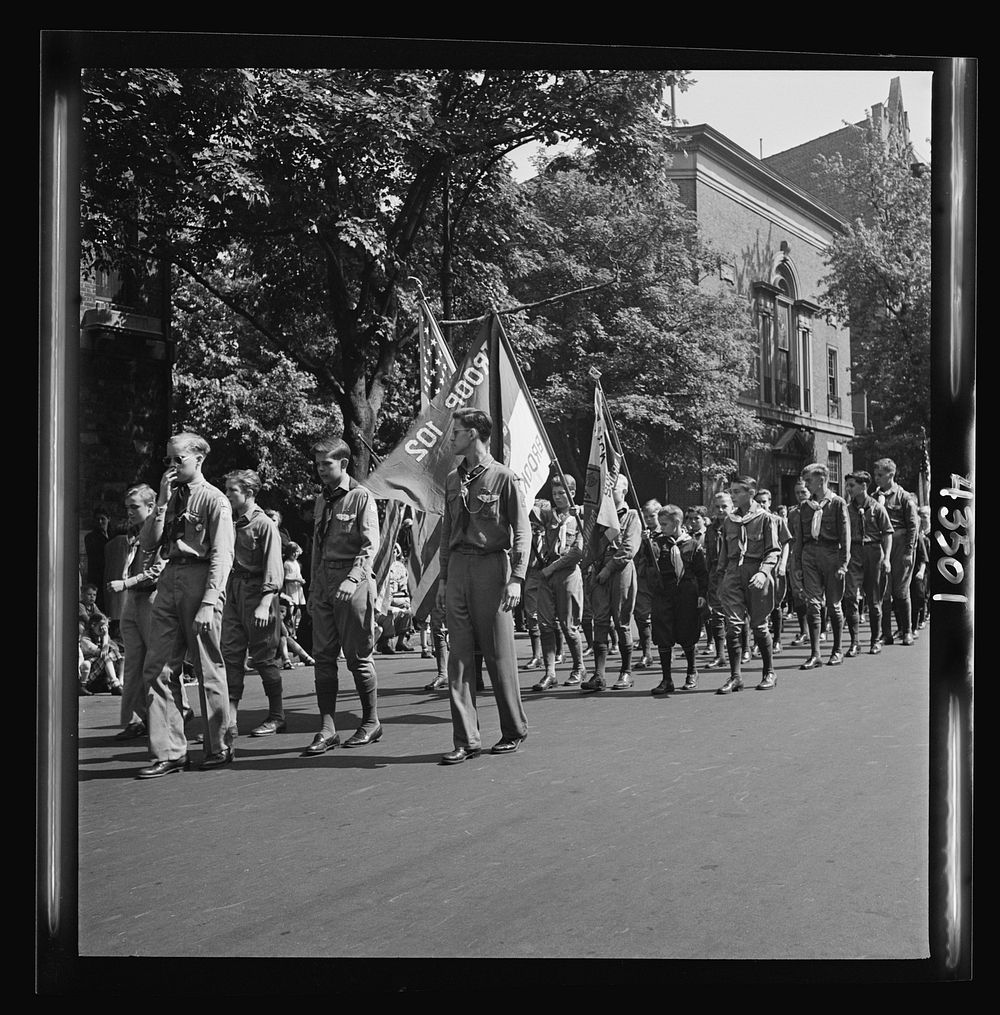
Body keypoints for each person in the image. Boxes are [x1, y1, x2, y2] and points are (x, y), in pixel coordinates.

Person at [135, 433, 235, 778]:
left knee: (207, 667)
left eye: (179, 460)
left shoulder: (213, 500)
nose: (173, 467)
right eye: (168, 461)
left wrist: (210, 602)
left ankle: (218, 745)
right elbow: (148, 544)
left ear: (199, 460)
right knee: (158, 667)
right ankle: (170, 751)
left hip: (200, 579)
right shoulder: (171, 498)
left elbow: (223, 555)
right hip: (169, 579)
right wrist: (161, 502)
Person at [436, 409, 530, 764]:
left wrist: (517, 577)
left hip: (492, 566)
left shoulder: (503, 478)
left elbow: (522, 530)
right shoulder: (451, 479)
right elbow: (447, 532)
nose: (452, 437)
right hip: (459, 567)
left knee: (498, 654)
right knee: (458, 657)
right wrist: (444, 579)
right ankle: (466, 738)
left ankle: (513, 729)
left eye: (457, 432)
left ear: (474, 434)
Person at [303, 436, 382, 755]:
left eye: (327, 464)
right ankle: (327, 728)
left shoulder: (361, 497)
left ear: (344, 464)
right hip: (324, 583)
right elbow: (317, 549)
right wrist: (312, 588)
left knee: (358, 659)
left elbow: (369, 545)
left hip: (354, 583)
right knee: (322, 659)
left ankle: (371, 721)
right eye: (318, 464)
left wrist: (353, 579)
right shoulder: (322, 499)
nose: (321, 470)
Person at [107, 483, 194, 738]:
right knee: (133, 662)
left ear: (150, 507)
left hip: (151, 599)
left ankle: (182, 708)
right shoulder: (133, 534)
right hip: (132, 602)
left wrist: (126, 583)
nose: (130, 512)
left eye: (134, 507)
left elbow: (158, 570)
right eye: (127, 508)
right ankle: (137, 718)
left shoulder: (161, 530)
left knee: (157, 660)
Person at [220, 469, 287, 739]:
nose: (226, 495)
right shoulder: (229, 522)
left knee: (264, 658)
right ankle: (229, 720)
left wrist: (264, 602)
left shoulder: (263, 525)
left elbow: (274, 568)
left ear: (248, 493)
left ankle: (277, 715)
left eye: (231, 491)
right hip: (233, 592)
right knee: (231, 656)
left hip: (258, 593)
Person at [715, 476, 781, 693]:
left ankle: (769, 671)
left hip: (756, 572)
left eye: (736, 492)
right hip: (733, 574)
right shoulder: (729, 521)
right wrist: (720, 579)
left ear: (751, 493)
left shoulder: (765, 519)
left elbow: (773, 551)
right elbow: (724, 553)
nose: (732, 496)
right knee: (732, 625)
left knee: (759, 626)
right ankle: (735, 677)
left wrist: (764, 572)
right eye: (731, 492)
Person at [580, 473, 642, 693]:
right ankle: (599, 674)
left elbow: (628, 549)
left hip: (619, 571)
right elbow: (591, 545)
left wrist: (608, 569)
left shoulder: (632, 515)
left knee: (621, 620)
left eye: (612, 489)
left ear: (623, 491)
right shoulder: (600, 517)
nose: (607, 493)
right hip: (599, 571)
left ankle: (625, 672)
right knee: (600, 620)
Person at [530, 474, 586, 691]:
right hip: (547, 572)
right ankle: (550, 672)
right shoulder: (548, 515)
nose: (558, 497)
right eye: (554, 494)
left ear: (572, 493)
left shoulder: (579, 516)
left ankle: (579, 667)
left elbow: (578, 552)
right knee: (545, 624)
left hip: (567, 573)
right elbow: (528, 512)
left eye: (562, 493)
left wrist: (551, 569)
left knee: (569, 626)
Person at [794, 462, 851, 670]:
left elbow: (845, 536)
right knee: (813, 604)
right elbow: (799, 538)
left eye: (809, 480)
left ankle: (837, 649)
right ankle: (815, 653)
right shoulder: (804, 507)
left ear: (821, 480)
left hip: (831, 554)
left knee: (834, 605)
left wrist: (843, 563)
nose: (806, 485)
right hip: (810, 555)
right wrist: (798, 563)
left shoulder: (837, 503)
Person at [649, 505, 708, 695]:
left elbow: (702, 573)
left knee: (687, 632)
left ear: (676, 523)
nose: (661, 527)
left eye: (664, 524)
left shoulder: (692, 544)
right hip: (664, 594)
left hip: (686, 594)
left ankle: (691, 671)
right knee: (663, 635)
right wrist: (647, 545)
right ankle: (666, 679)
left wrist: (702, 595)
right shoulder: (657, 543)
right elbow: (649, 562)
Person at [843, 471, 893, 656]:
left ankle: (875, 640)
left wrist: (886, 558)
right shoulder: (846, 509)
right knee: (850, 597)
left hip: (873, 552)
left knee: (874, 601)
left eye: (852, 485)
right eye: (847, 485)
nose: (848, 489)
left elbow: (887, 533)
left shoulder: (877, 508)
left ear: (864, 486)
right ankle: (854, 642)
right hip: (853, 552)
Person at [873, 458, 920, 646]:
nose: (876, 478)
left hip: (900, 546)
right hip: (881, 546)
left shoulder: (904, 497)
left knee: (901, 590)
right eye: (875, 475)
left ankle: (907, 631)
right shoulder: (874, 497)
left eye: (880, 475)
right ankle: (886, 633)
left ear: (891, 475)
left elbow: (913, 526)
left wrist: (909, 551)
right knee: (883, 591)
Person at [752, 489, 793, 657]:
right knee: (757, 606)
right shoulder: (752, 521)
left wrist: (783, 564)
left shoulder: (777, 520)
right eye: (758, 501)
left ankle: (776, 639)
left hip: (775, 569)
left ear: (770, 502)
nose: (761, 504)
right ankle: (757, 642)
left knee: (775, 604)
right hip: (758, 568)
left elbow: (786, 543)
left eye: (764, 501)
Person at [78, 583, 123, 695]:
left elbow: (101, 616)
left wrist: (105, 638)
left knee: (118, 653)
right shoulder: (81, 606)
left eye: (94, 595)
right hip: (84, 632)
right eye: (89, 594)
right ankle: (115, 683)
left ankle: (119, 682)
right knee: (107, 655)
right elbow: (87, 620)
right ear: (82, 595)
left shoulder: (93, 606)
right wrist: (100, 631)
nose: (92, 597)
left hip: (95, 634)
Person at [633, 499, 662, 672]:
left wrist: (649, 541)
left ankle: (666, 649)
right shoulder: (640, 532)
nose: (648, 520)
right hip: (643, 577)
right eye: (645, 516)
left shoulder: (665, 531)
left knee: (662, 615)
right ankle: (646, 653)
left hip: (660, 578)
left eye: (652, 516)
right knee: (642, 616)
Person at [520, 500, 548, 670]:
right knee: (532, 616)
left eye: (537, 517)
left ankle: (557, 652)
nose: (534, 521)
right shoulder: (527, 535)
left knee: (551, 617)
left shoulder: (553, 534)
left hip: (548, 575)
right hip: (531, 575)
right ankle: (536, 655)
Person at [376, 543, 413, 653]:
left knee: (408, 611)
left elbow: (404, 587)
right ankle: (385, 643)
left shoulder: (400, 567)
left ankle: (401, 642)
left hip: (395, 597)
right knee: (390, 613)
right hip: (381, 599)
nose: (394, 551)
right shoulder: (379, 564)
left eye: (396, 549)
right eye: (391, 549)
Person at [84, 510, 111, 612]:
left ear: (108, 519)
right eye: (97, 519)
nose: (100, 521)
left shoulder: (113, 536)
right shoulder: (90, 537)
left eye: (102, 519)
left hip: (110, 576)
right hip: (97, 577)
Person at [910, 506, 931, 634]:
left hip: (926, 567)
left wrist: (922, 569)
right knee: (918, 595)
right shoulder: (918, 534)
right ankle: (911, 625)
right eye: (921, 516)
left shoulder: (924, 537)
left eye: (925, 516)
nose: (923, 519)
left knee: (923, 594)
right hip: (915, 569)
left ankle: (922, 618)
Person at [281, 542, 307, 636]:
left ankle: (295, 630)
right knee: (291, 609)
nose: (295, 555)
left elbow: (298, 574)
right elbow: (286, 578)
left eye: (296, 552)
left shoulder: (296, 563)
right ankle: (289, 630)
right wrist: (296, 579)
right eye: (293, 553)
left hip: (298, 589)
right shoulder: (287, 564)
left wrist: (301, 580)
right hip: (291, 590)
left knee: (298, 610)